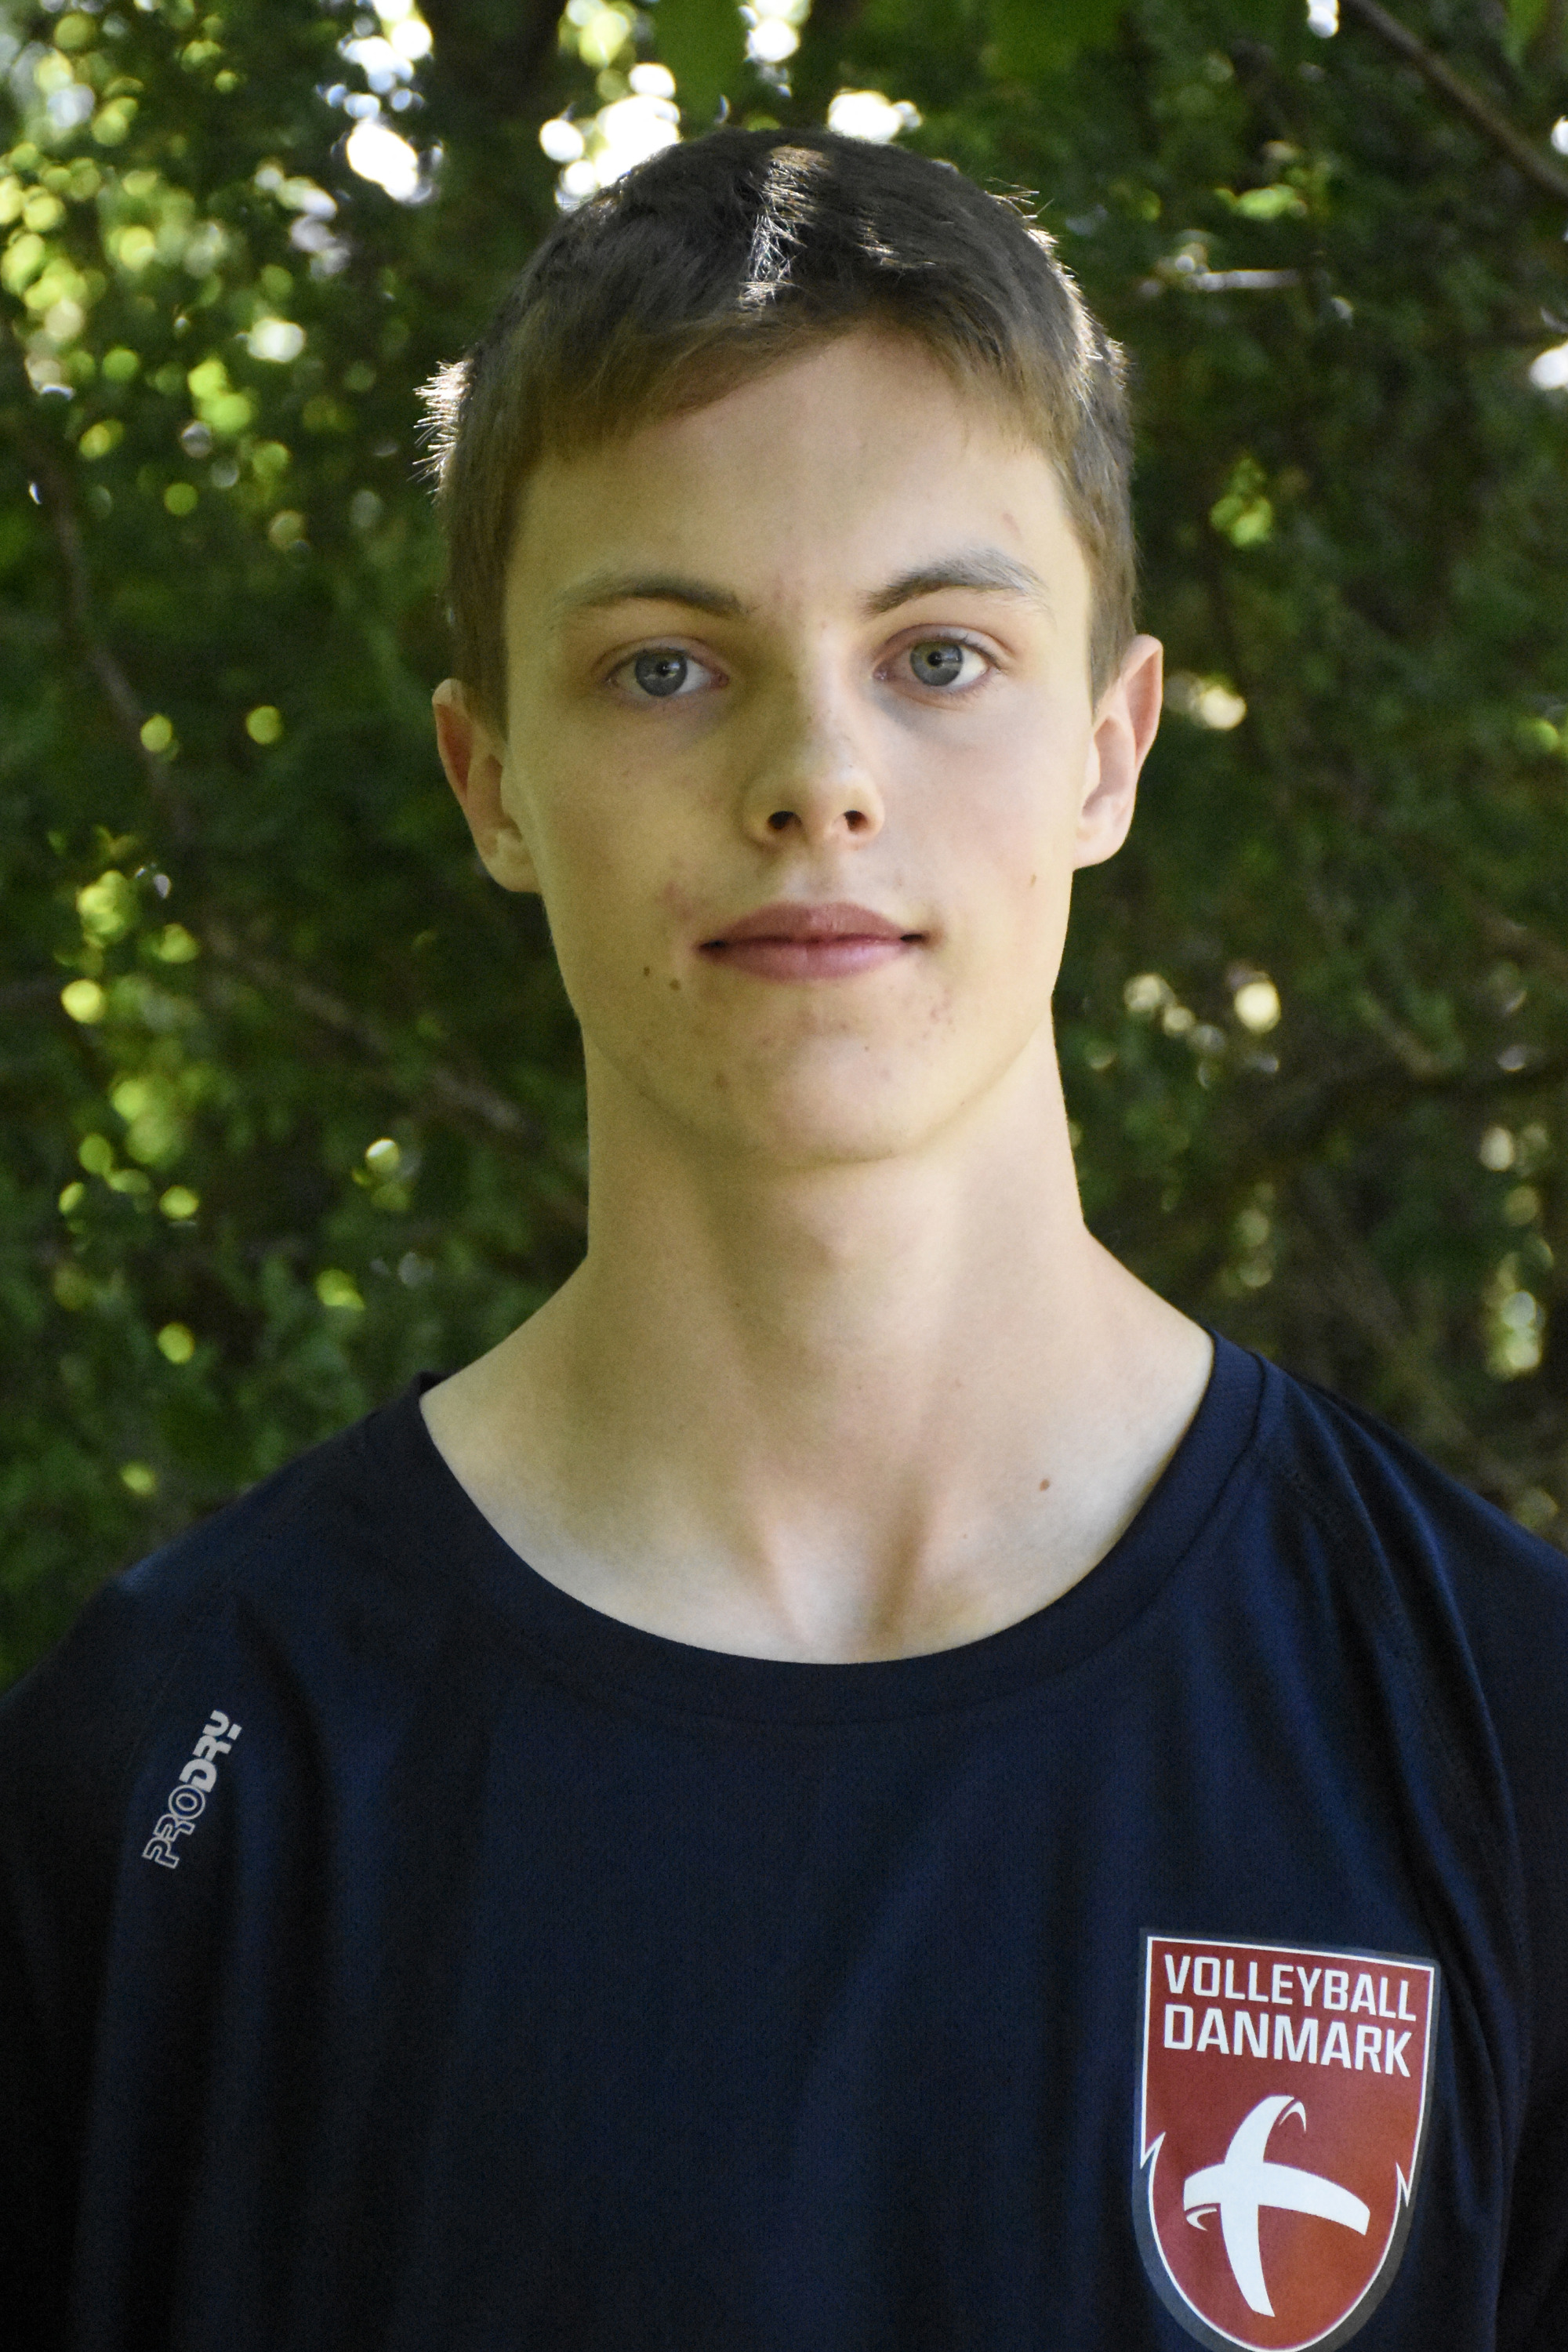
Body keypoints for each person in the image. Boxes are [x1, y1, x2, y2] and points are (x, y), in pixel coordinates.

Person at [2, 126, 1566, 2352]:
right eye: (664, 666)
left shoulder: (1497, 1726)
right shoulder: (170, 1778)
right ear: (490, 779)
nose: (815, 774)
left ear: (1111, 748)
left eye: (939, 655)